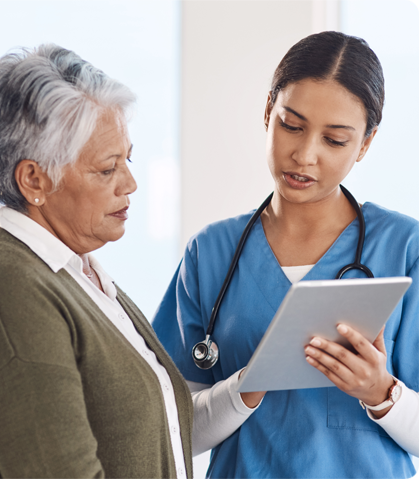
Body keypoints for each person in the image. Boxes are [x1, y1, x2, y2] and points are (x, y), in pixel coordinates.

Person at [152, 31, 419, 478]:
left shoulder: (404, 248)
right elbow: (170, 429)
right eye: (291, 125)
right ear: (267, 111)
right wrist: (243, 391)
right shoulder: (212, 253)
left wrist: (380, 391)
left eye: (334, 140)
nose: (304, 154)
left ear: (365, 144)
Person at [0, 45, 192, 479]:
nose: (130, 183)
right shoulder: (8, 289)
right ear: (34, 179)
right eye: (106, 170)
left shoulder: (77, 272)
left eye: (127, 158)